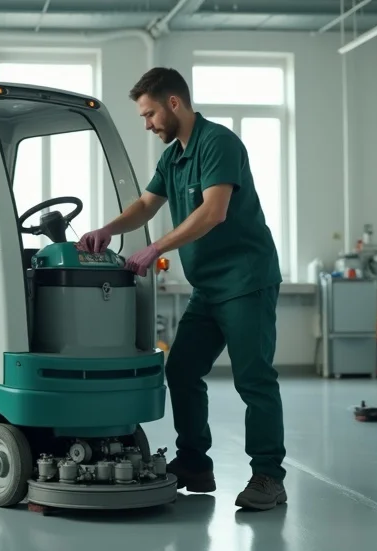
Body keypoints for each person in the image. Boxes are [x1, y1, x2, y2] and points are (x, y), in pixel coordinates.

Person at [76, 67, 287, 511]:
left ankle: (268, 476)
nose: (147, 123)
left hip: (246, 281)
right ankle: (194, 463)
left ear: (174, 103)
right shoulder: (174, 157)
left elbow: (214, 212)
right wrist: (108, 229)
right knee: (182, 370)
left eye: (149, 113)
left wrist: (154, 248)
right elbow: (145, 205)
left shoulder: (218, 143)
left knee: (254, 380)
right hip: (208, 288)